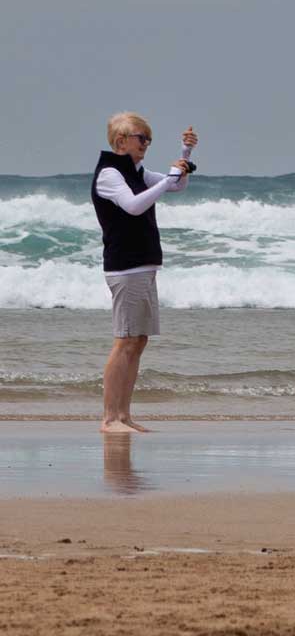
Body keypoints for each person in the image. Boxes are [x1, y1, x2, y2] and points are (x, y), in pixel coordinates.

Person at [92, 114, 197, 434]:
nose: (146, 144)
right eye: (142, 138)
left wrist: (185, 156)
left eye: (149, 139)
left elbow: (174, 185)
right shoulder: (109, 174)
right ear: (121, 141)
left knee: (138, 341)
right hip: (125, 267)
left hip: (145, 264)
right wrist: (167, 180)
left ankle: (124, 416)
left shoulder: (136, 171)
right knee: (124, 341)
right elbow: (134, 206)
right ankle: (109, 419)